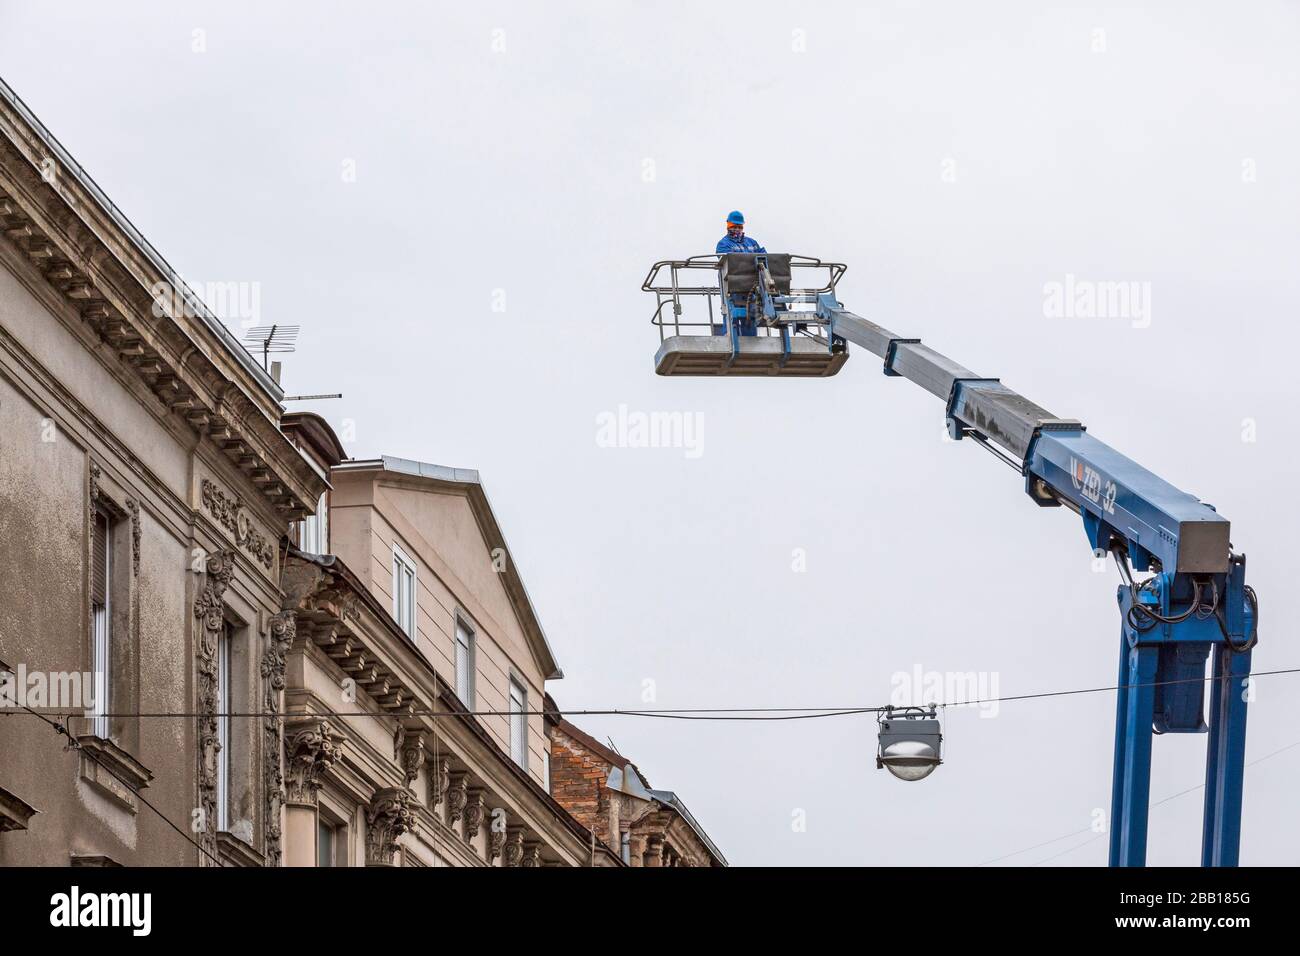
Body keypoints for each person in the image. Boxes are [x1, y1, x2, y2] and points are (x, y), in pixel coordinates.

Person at [714, 210, 765, 335]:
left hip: (752, 285)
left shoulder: (751, 243)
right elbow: (728, 262)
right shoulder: (723, 244)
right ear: (728, 226)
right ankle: (730, 336)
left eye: (739, 226)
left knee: (751, 314)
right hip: (733, 285)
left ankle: (751, 341)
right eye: (733, 226)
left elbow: (763, 257)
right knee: (732, 313)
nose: (736, 229)